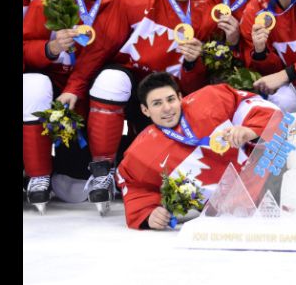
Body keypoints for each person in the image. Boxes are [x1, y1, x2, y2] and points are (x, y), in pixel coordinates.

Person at [56, 0, 215, 215]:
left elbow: (195, 87)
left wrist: (193, 63)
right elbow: (102, 46)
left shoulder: (206, 15)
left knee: (158, 167)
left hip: (167, 103)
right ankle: (102, 169)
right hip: (132, 89)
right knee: (110, 80)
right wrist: (73, 87)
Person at [116, 72, 283, 229]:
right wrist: (148, 214)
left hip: (273, 175)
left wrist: (251, 130)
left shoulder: (211, 98)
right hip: (233, 217)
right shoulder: (140, 153)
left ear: (180, 97)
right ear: (145, 110)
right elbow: (133, 186)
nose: (167, 108)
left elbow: (255, 106)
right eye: (157, 104)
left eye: (171, 99)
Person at [23, 0, 119, 213]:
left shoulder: (116, 1)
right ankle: (38, 175)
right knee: (33, 83)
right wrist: (50, 48)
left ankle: (102, 170)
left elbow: (100, 53)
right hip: (52, 86)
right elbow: (25, 47)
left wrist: (75, 89)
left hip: (87, 90)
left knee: (71, 184)